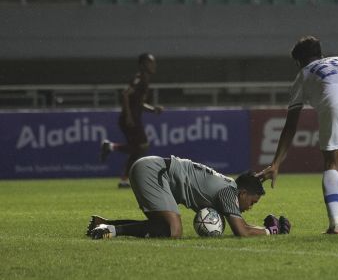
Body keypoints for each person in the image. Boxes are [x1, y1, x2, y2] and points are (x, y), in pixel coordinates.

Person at [257, 36, 338, 234]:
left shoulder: (303, 74)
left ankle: (335, 223)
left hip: (333, 98)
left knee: (331, 163)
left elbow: (290, 125)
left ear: (299, 61)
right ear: (320, 53)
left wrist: (276, 163)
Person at [86, 155, 291, 239]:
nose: (250, 207)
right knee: (174, 231)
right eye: (252, 202)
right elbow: (241, 230)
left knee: (162, 226)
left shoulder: (232, 187)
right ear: (243, 194)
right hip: (155, 171)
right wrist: (269, 231)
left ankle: (106, 225)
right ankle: (111, 230)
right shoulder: (230, 192)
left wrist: (263, 175)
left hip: (150, 167)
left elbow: (248, 183)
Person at [100, 53, 164, 188]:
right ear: (142, 64)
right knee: (142, 147)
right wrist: (128, 116)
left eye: (153, 62)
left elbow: (139, 103)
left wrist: (153, 109)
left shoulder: (145, 79)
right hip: (130, 119)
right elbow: (125, 94)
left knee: (138, 150)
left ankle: (124, 179)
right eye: (150, 62)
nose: (153, 65)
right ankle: (111, 147)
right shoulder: (139, 78)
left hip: (133, 117)